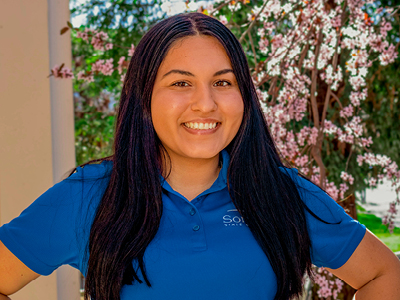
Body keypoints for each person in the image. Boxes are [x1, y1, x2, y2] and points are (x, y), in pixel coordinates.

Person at [0, 12, 399, 300]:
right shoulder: (88, 196)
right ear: (144, 97)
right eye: (181, 83)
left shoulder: (283, 193)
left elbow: (386, 275)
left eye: (222, 82)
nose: (204, 103)